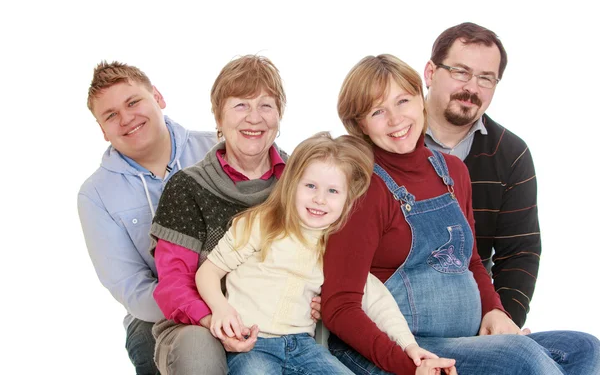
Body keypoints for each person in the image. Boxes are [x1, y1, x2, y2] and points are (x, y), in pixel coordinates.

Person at [321, 53, 600, 374]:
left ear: (420, 99)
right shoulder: (363, 186)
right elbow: (340, 306)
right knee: (521, 358)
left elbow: (469, 261)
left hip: (462, 338)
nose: (396, 119)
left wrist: (495, 310)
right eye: (378, 111)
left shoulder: (450, 172)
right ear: (360, 124)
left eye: (403, 101)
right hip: (399, 344)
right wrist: (409, 360)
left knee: (584, 348)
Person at [196, 132, 438, 374]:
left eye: (333, 191)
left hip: (303, 347)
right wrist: (221, 308)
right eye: (311, 186)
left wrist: (409, 345)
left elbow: (377, 300)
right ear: (292, 184)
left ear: (348, 198)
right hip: (251, 342)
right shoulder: (261, 223)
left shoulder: (339, 245)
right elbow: (208, 272)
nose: (320, 199)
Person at [148, 55, 316, 374]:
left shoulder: (305, 182)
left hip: (285, 326)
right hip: (201, 323)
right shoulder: (187, 187)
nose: (254, 118)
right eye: (240, 105)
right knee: (198, 350)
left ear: (280, 115)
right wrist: (217, 321)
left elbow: (327, 256)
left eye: (266, 105)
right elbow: (174, 285)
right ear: (218, 117)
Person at [78, 61, 216, 374]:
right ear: (102, 130)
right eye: (111, 115)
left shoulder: (217, 147)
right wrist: (204, 309)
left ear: (158, 96)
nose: (126, 119)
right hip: (156, 314)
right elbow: (130, 286)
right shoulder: (96, 194)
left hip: (242, 290)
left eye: (133, 102)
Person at [423, 22, 539, 327]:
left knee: (583, 348)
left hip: (472, 312)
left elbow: (519, 253)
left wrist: (502, 320)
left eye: (486, 78)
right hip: (392, 314)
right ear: (430, 73)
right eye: (461, 72)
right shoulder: (385, 139)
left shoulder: (511, 154)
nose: (472, 88)